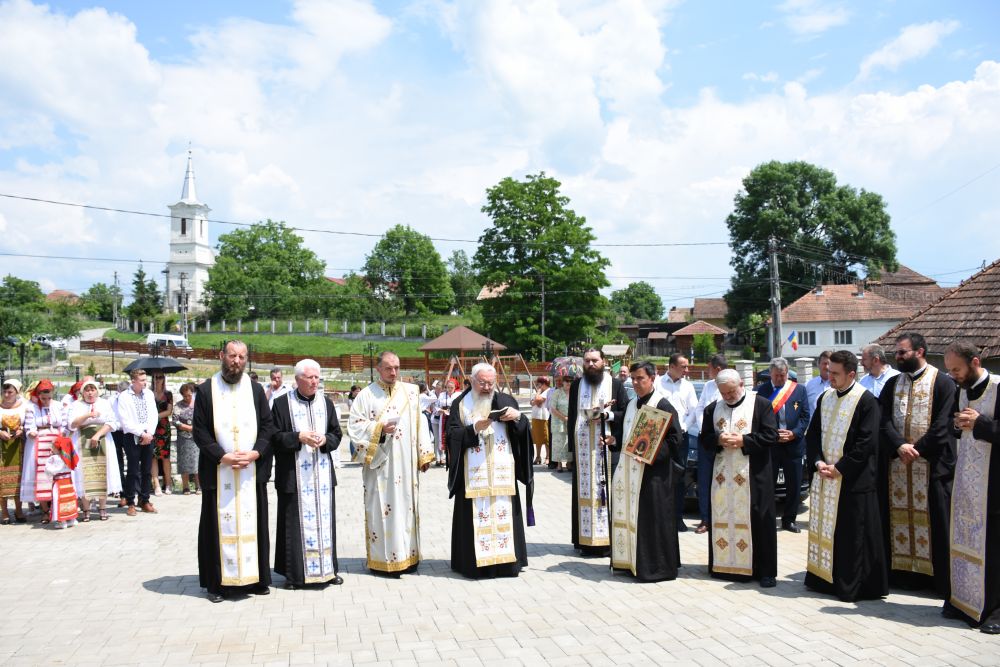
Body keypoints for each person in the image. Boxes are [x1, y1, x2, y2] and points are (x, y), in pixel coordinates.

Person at [192, 340, 274, 603]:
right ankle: (217, 585)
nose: (236, 361)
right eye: (232, 356)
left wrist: (255, 452)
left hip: (250, 470)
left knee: (255, 521)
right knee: (216, 528)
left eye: (241, 357)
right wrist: (222, 456)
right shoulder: (206, 391)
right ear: (221, 356)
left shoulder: (256, 390)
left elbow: (267, 427)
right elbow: (200, 431)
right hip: (219, 470)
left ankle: (257, 579)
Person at [805, 350, 887, 602]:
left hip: (852, 481)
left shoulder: (866, 401)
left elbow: (866, 443)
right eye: (829, 371)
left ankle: (851, 585)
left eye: (836, 373)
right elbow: (813, 434)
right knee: (828, 531)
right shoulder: (825, 398)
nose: (830, 377)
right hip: (825, 477)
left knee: (852, 535)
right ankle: (823, 579)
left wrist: (840, 468)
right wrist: (818, 461)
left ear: (851, 374)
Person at [877, 332, 956, 595]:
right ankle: (901, 575)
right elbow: (883, 420)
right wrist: (899, 445)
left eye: (902, 352)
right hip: (897, 466)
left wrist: (918, 449)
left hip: (930, 467)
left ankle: (937, 580)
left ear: (919, 352)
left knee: (935, 521)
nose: (896, 357)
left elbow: (943, 424)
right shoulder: (892, 385)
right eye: (897, 353)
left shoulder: (943, 383)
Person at [347, 351, 434, 576]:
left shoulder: (411, 392)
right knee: (381, 511)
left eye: (396, 367)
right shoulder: (365, 396)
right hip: (380, 467)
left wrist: (424, 454)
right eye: (388, 368)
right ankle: (382, 561)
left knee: (407, 508)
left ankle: (410, 557)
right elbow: (355, 427)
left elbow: (420, 423)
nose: (393, 372)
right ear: (378, 368)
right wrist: (379, 429)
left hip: (406, 464)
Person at [446, 363, 533, 578]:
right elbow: (452, 436)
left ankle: (507, 563)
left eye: (490, 383)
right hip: (473, 477)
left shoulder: (506, 401)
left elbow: (523, 432)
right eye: (482, 382)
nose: (486, 387)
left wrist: (519, 418)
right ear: (472, 381)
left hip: (503, 475)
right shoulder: (460, 403)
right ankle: (474, 564)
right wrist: (474, 429)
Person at [701, 369, 779, 587]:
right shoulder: (712, 409)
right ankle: (724, 565)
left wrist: (745, 441)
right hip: (722, 479)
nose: (727, 397)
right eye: (723, 393)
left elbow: (771, 435)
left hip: (754, 477)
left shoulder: (760, 404)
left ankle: (765, 572)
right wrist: (718, 439)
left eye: (730, 392)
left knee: (760, 521)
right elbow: (704, 439)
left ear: (741, 385)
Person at [271, 359, 343, 589]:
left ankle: (328, 571)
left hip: (322, 478)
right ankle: (294, 576)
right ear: (298, 379)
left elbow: (336, 433)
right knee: (293, 526)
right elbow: (273, 437)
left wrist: (325, 440)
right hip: (294, 478)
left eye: (317, 377)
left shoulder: (326, 403)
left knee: (325, 525)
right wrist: (298, 437)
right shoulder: (282, 404)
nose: (315, 382)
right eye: (310, 378)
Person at [943, 342, 1000, 633]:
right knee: (964, 539)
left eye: (956, 369)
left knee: (994, 548)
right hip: (967, 479)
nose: (952, 375)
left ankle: (995, 610)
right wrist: (958, 424)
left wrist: (980, 423)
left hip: (994, 486)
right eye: (949, 370)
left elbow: (989, 428)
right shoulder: (961, 389)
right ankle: (963, 600)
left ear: (974, 361)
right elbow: (956, 427)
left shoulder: (998, 388)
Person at [610, 360, 683, 582]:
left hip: (654, 475)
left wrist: (650, 453)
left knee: (652, 519)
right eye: (633, 379)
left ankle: (655, 566)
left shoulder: (663, 406)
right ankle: (628, 561)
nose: (635, 382)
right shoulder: (632, 404)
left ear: (653, 378)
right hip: (628, 472)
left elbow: (675, 440)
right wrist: (615, 440)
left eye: (640, 378)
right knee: (631, 517)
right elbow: (626, 435)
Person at [567, 348, 629, 556]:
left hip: (606, 448)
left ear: (603, 362)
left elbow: (626, 414)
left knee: (606, 494)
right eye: (587, 361)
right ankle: (584, 542)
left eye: (595, 360)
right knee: (583, 494)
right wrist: (571, 450)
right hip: (583, 448)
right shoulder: (577, 385)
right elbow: (571, 415)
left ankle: (607, 543)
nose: (591, 364)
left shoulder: (616, 385)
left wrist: (608, 416)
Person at [755, 357, 810, 533]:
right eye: (777, 375)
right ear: (770, 373)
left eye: (783, 375)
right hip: (771, 446)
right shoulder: (761, 391)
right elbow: (757, 419)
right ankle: (768, 519)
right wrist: (771, 435)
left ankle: (789, 520)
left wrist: (794, 433)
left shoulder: (799, 390)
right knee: (768, 484)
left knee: (793, 485)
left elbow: (805, 417)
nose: (780, 378)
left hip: (793, 445)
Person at [68, 377, 121, 522]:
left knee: (101, 472)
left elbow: (112, 422)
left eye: (92, 390)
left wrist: (97, 435)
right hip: (81, 440)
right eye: (87, 390)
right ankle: (86, 509)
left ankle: (102, 507)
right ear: (82, 392)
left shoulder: (104, 403)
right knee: (84, 474)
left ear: (97, 391)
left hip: (102, 439)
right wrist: (88, 415)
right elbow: (71, 424)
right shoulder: (76, 405)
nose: (90, 393)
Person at [659, 353, 699, 532]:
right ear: (672, 366)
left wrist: (683, 426)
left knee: (680, 477)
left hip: (681, 437)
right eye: (683, 366)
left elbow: (694, 410)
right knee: (661, 476)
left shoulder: (688, 386)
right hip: (661, 437)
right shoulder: (657, 383)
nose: (687, 370)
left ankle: (677, 517)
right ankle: (660, 517)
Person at [690, 355, 727, 533]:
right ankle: (706, 519)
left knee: (725, 479)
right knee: (705, 479)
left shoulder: (732, 383)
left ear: (718, 369)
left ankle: (725, 518)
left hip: (727, 441)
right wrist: (704, 428)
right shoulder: (708, 385)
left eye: (709, 368)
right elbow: (700, 408)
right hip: (706, 439)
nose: (708, 371)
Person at [21, 379, 65, 524]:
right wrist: (32, 432)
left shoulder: (59, 406)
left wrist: (60, 438)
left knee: (57, 474)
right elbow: (29, 426)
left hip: (56, 443)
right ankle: (45, 510)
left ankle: (57, 507)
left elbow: (64, 424)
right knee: (41, 476)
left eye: (49, 397)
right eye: (43, 398)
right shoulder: (32, 408)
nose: (46, 401)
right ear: (38, 395)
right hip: (38, 443)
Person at [116, 370, 159, 516]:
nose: (144, 382)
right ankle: (130, 502)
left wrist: (149, 433)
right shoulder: (123, 397)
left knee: (146, 470)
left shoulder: (149, 394)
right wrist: (141, 433)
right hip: (132, 437)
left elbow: (154, 415)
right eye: (141, 380)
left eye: (144, 379)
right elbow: (125, 421)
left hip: (148, 435)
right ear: (133, 381)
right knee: (133, 471)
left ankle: (144, 499)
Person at [1, 379, 28, 524]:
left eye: (10, 392)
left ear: (16, 392)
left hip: (19, 445)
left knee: (19, 477)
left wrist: (22, 430)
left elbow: (29, 422)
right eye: (4, 391)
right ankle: (4, 511)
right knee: (2, 479)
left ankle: (19, 510)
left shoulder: (24, 406)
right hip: (2, 447)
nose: (6, 394)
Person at [44, 435, 80, 529]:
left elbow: (51, 470)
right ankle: (72, 519)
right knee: (69, 499)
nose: (51, 448)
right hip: (68, 482)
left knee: (58, 500)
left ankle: (62, 522)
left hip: (59, 483)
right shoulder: (69, 457)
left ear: (58, 448)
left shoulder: (55, 458)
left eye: (53, 447)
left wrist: (48, 467)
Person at [172, 383, 200, 495]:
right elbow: (175, 420)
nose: (187, 398)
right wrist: (189, 428)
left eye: (189, 395)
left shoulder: (198, 404)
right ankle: (185, 486)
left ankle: (199, 486)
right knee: (184, 463)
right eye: (185, 396)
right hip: (183, 437)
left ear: (192, 393)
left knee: (198, 462)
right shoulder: (178, 405)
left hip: (197, 437)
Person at [150, 373, 173, 495]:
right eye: (155, 377)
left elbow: (169, 411)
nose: (158, 379)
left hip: (163, 427)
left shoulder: (168, 394)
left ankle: (168, 483)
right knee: (153, 457)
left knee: (165, 457)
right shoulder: (148, 393)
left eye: (160, 377)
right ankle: (156, 485)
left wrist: (156, 416)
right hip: (151, 428)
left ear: (164, 379)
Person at [549, 376, 572, 472]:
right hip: (558, 421)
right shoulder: (557, 393)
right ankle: (559, 464)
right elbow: (553, 409)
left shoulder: (574, 393)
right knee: (558, 443)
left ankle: (569, 463)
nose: (568, 383)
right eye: (566, 381)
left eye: (571, 381)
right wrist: (564, 417)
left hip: (570, 421)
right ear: (563, 382)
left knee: (568, 442)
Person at [530, 377, 552, 465]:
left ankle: (548, 457)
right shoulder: (539, 392)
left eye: (539, 384)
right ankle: (538, 457)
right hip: (536, 417)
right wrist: (535, 400)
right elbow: (532, 403)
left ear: (543, 384)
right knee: (537, 438)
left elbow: (537, 401)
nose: (537, 386)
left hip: (544, 417)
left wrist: (537, 394)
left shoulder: (548, 391)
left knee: (546, 438)